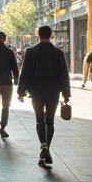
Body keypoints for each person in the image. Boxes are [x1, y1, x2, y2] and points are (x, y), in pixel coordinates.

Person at [17, 25, 71, 167]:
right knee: (50, 121)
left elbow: (25, 72)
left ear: (38, 35)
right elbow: (63, 75)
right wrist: (66, 94)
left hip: (36, 92)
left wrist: (21, 91)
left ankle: (43, 146)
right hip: (53, 91)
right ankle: (47, 150)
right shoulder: (58, 53)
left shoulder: (31, 51)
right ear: (51, 35)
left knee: (40, 121)